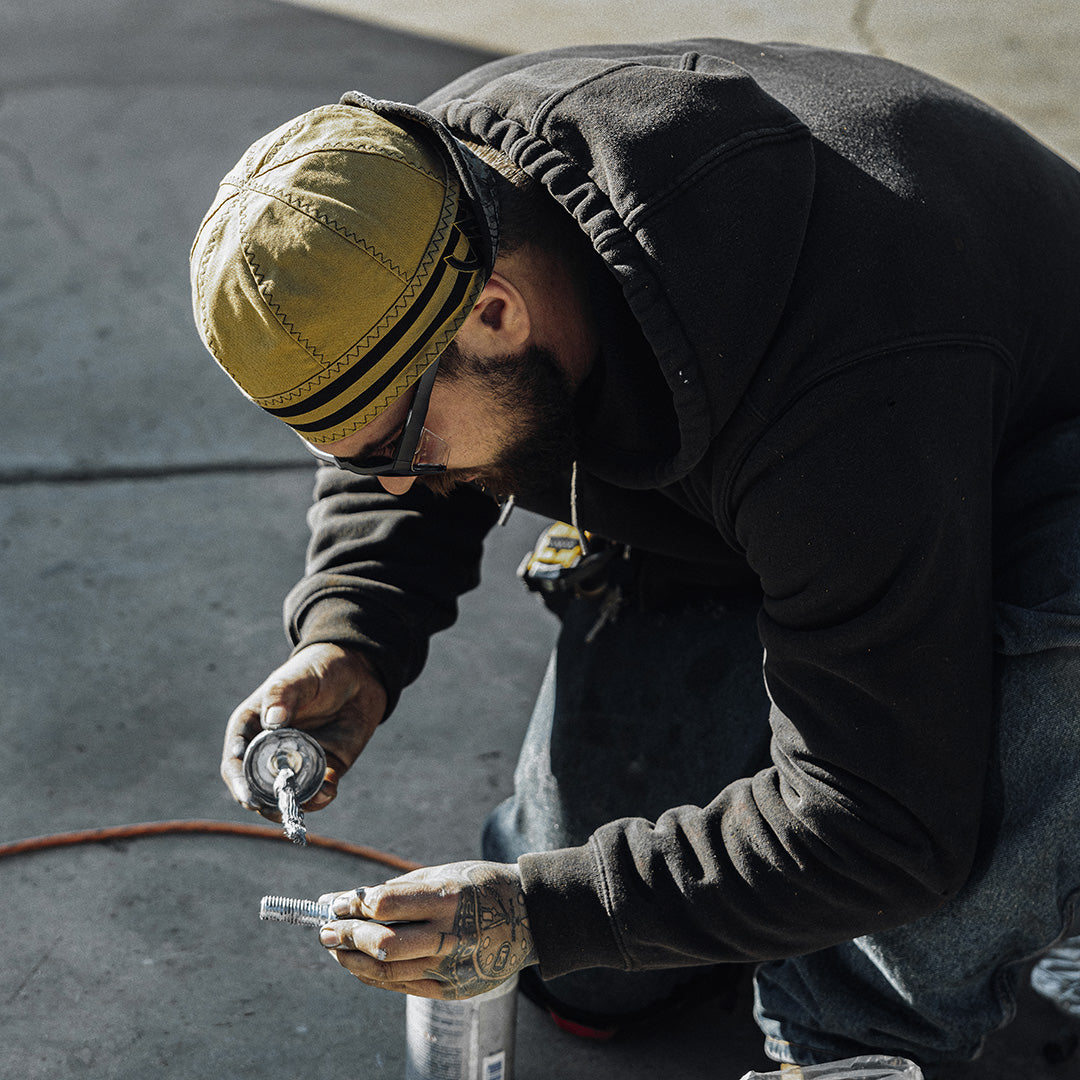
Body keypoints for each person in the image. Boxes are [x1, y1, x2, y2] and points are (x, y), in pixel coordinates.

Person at [189, 39, 1080, 1072]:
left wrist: (541, 911)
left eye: (402, 446)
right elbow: (386, 429)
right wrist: (355, 627)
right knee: (597, 971)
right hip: (782, 500)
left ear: (495, 312)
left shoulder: (843, 376)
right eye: (352, 450)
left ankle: (862, 1045)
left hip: (1022, 472)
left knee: (911, 833)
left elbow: (877, 822)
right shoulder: (404, 199)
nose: (391, 481)